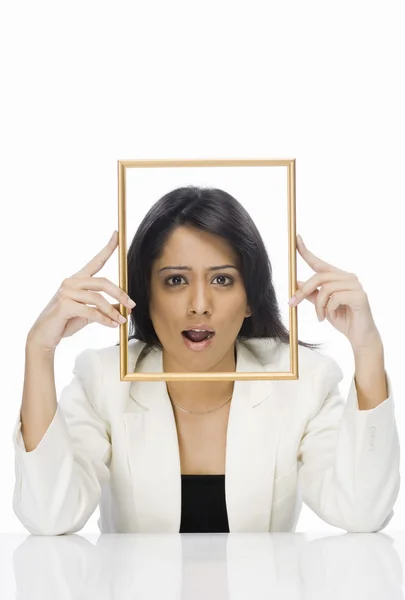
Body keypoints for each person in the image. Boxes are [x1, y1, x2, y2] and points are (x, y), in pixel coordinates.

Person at [12, 186, 400, 535]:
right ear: (147, 294)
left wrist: (367, 348)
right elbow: (49, 515)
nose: (199, 306)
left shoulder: (303, 381)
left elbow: (361, 512)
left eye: (222, 280)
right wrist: (38, 349)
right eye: (176, 280)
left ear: (250, 297)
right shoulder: (103, 379)